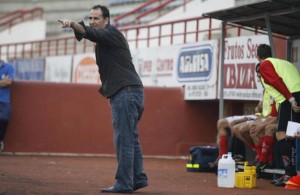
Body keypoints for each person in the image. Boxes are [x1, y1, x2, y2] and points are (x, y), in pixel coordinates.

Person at [58, 5, 148, 193]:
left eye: (96, 19)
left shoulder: (111, 33)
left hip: (126, 92)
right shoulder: (106, 37)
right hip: (130, 92)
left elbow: (89, 33)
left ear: (107, 20)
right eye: (90, 18)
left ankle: (124, 183)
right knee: (131, 138)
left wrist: (73, 24)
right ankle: (138, 178)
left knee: (124, 140)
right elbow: (89, 33)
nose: (92, 22)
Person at [257, 44, 300, 186]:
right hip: (295, 94)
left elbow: (276, 81)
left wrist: (291, 98)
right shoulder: (284, 63)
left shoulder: (264, 65)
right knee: (291, 132)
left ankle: (290, 173)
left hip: (290, 98)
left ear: (258, 57)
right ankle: (291, 173)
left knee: (284, 134)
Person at [0, 59, 14, 152]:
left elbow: (9, 82)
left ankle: (0, 141)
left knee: (4, 119)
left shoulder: (9, 67)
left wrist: (5, 82)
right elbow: (5, 83)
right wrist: (2, 82)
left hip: (4, 100)